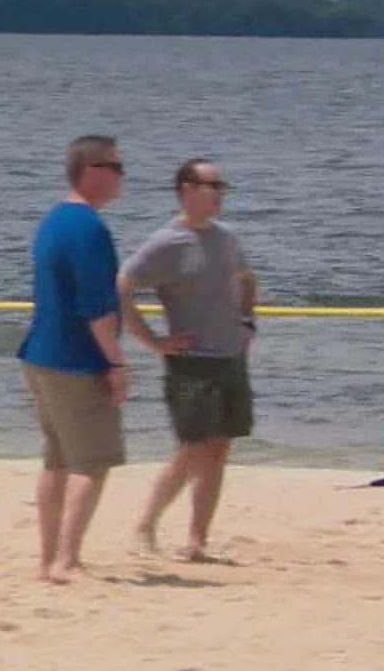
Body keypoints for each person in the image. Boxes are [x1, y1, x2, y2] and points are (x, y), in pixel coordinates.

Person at [118, 158, 258, 563]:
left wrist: (248, 323)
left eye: (221, 186)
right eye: (210, 186)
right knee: (193, 449)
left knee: (219, 449)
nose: (218, 193)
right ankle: (147, 522)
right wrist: (152, 340)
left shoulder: (227, 238)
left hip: (230, 357)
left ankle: (197, 540)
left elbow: (247, 279)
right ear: (185, 191)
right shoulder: (167, 242)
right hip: (190, 361)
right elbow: (123, 286)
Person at [17, 135, 130, 585]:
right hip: (73, 360)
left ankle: (50, 560)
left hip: (41, 355)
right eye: (116, 168)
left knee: (58, 460)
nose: (122, 178)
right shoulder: (87, 228)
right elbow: (95, 308)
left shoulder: (54, 221)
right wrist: (117, 364)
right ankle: (65, 559)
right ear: (92, 171)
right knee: (91, 462)